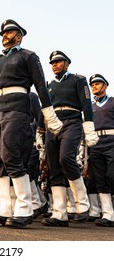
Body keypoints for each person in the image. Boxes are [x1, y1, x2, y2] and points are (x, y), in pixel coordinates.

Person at [0, 19, 63, 228]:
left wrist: (49, 114)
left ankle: (25, 207)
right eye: (3, 33)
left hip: (17, 107)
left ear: (19, 36)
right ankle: (3, 208)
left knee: (10, 155)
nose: (5, 36)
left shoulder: (28, 56)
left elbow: (41, 85)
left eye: (9, 32)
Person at [38, 51, 99, 227]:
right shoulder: (49, 86)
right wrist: (40, 130)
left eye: (58, 62)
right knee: (54, 167)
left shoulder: (78, 80)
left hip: (72, 121)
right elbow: (45, 108)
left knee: (66, 158)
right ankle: (59, 213)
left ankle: (82, 204)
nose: (54, 65)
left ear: (67, 63)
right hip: (52, 123)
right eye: (52, 63)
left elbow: (86, 104)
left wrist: (89, 128)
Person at [88, 74, 114, 227]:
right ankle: (108, 214)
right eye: (93, 85)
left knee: (112, 175)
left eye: (98, 83)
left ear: (105, 86)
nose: (95, 86)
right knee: (100, 179)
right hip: (96, 143)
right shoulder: (90, 106)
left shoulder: (112, 102)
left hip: (112, 141)